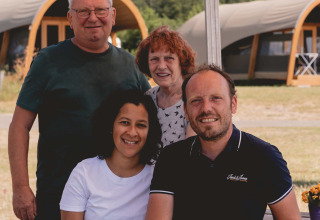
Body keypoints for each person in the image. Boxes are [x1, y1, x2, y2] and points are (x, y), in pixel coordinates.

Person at [8, 0, 150, 219]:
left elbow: (154, 121)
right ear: (70, 19)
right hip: (57, 193)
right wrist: (20, 187)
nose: (93, 18)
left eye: (100, 10)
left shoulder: (132, 65)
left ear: (112, 15)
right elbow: (19, 126)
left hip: (117, 200)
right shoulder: (47, 62)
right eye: (83, 11)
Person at [145, 64, 301, 220]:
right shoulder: (171, 158)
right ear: (185, 111)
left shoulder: (265, 157)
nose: (206, 108)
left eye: (216, 98)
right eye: (196, 101)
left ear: (233, 104)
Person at [60, 90, 162, 219]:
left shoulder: (157, 177)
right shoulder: (84, 173)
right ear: (110, 125)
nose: (132, 132)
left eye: (141, 125)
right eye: (124, 122)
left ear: (150, 132)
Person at [136, 25, 196, 147]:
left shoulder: (194, 99)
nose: (161, 66)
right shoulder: (147, 99)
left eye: (169, 58)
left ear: (182, 61)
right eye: (154, 59)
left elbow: (192, 153)